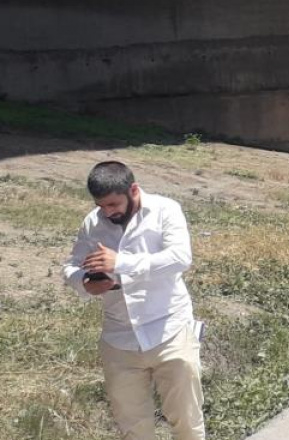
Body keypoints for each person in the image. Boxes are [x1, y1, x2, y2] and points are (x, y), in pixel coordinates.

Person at [63, 161, 204, 440]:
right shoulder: (93, 222)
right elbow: (71, 267)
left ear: (134, 190)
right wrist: (85, 283)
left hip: (170, 330)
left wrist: (122, 263)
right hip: (119, 338)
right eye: (101, 205)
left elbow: (180, 258)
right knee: (133, 429)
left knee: (187, 421)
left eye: (113, 204)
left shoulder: (166, 210)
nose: (107, 212)